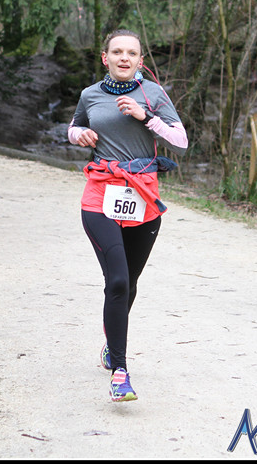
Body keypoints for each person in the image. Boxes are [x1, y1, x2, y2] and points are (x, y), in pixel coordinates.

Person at [68, 29, 188, 402]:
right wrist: (80, 135)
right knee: (117, 280)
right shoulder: (90, 94)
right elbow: (73, 127)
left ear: (140, 60)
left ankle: (111, 343)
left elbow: (181, 140)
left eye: (131, 53)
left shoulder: (153, 94)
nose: (124, 58)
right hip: (100, 195)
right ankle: (120, 371)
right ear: (105, 58)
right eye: (117, 52)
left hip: (143, 196)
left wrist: (145, 116)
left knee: (129, 283)